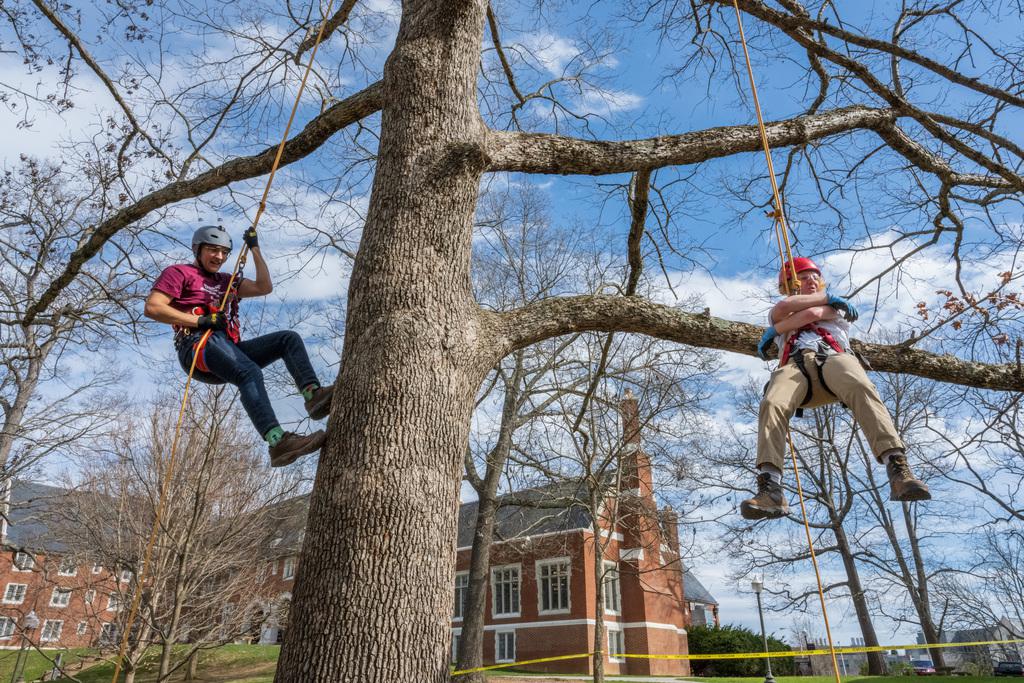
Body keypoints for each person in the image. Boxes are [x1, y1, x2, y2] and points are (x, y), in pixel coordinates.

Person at [740, 257, 931, 520]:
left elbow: (815, 314)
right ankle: (770, 488)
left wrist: (776, 331)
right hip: (796, 368)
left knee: (860, 384)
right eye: (804, 277)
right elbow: (786, 306)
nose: (812, 281)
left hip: (832, 359)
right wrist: (777, 326)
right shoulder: (783, 309)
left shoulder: (838, 308)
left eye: (815, 277)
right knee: (772, 403)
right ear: (790, 284)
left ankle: (897, 468)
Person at [144, 225, 332, 467]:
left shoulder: (227, 281)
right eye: (213, 250)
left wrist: (255, 249)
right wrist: (200, 320)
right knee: (249, 372)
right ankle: (277, 441)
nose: (219, 257)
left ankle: (313, 395)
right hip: (197, 344)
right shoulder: (179, 273)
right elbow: (153, 307)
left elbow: (264, 287)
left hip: (226, 347)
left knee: (288, 339)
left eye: (224, 252)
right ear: (197, 250)